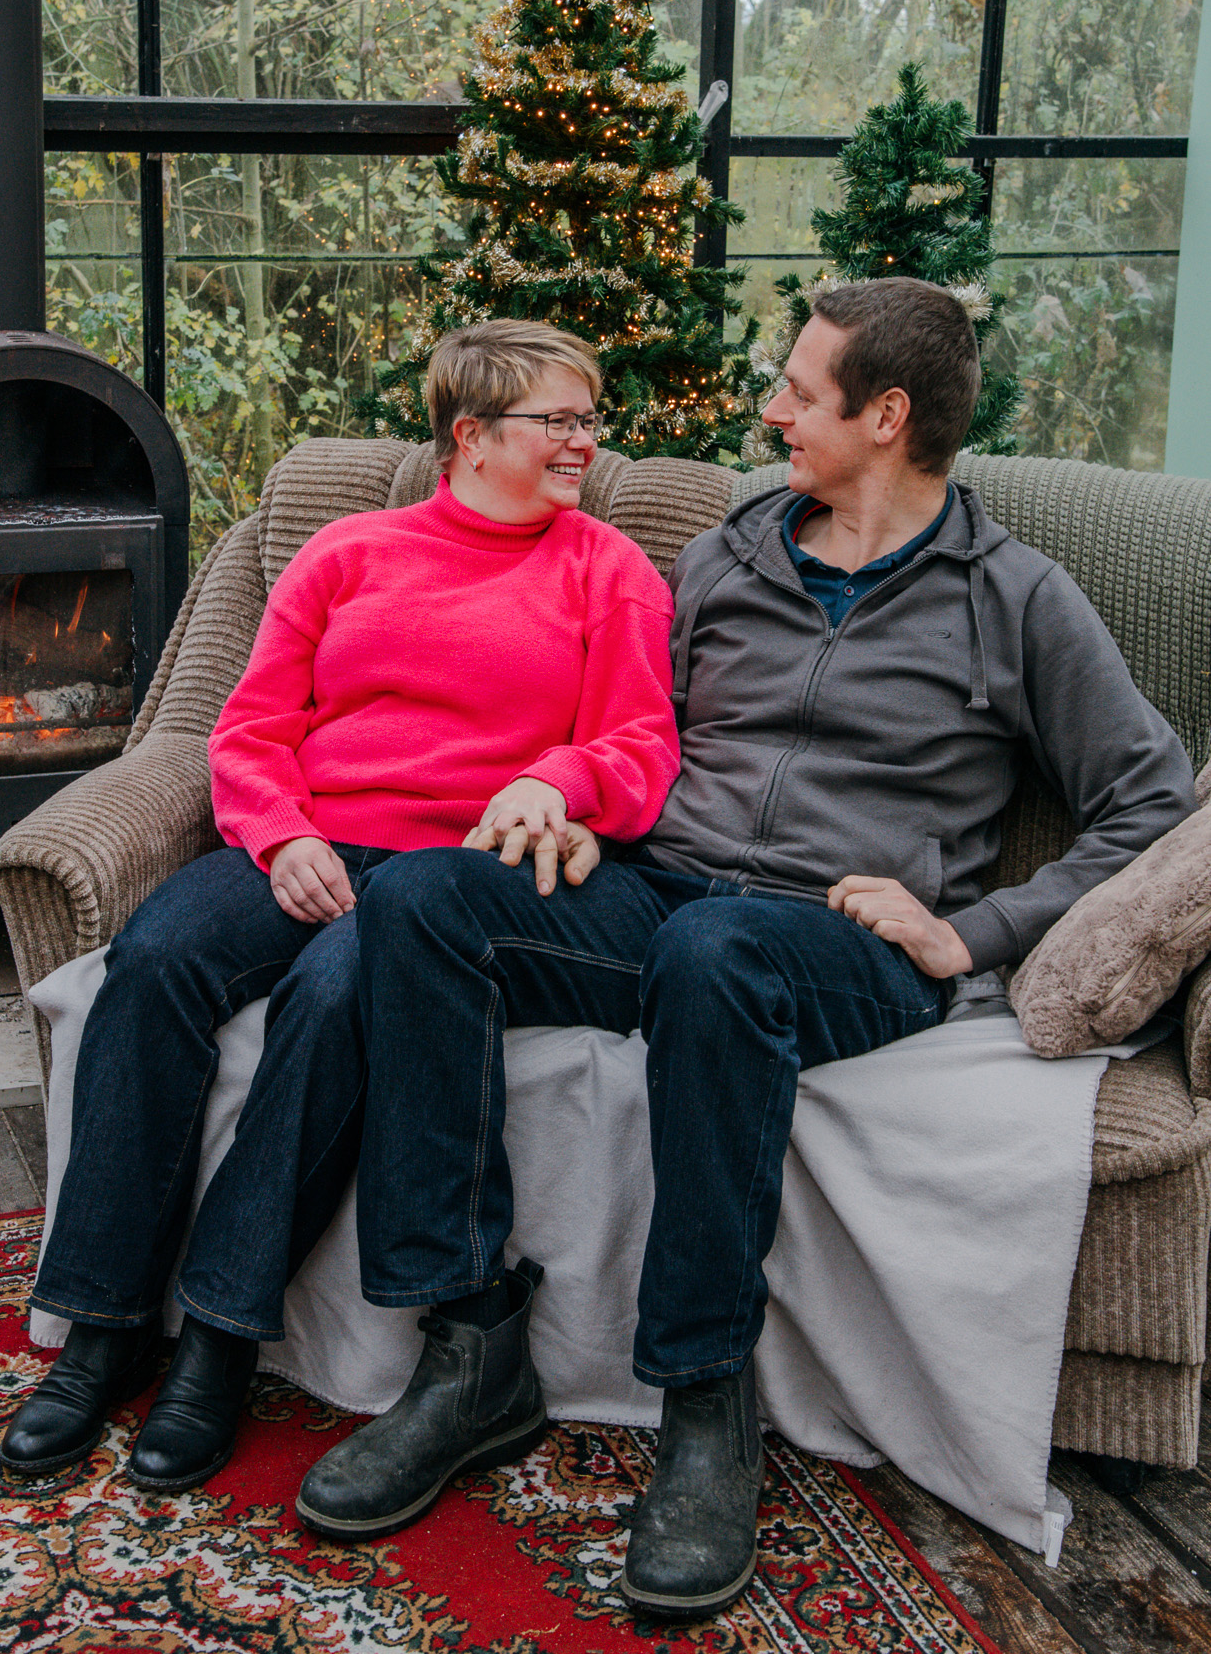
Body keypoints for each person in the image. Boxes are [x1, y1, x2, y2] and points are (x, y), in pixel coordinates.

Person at [296, 277, 1196, 1622]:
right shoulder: (732, 552)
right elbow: (633, 731)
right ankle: (471, 1344)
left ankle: (706, 1398)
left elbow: (1150, 798)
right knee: (428, 895)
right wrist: (574, 801)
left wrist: (971, 930)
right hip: (661, 895)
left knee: (719, 953)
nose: (771, 410)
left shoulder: (1014, 598)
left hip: (840, 939)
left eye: (798, 389)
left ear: (885, 416)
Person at [0, 318, 679, 1493]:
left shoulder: (607, 569)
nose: (586, 441)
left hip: (447, 879)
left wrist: (559, 778)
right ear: (471, 434)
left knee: (329, 1001)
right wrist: (284, 833)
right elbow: (249, 729)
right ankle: (103, 1325)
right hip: (308, 840)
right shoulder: (347, 551)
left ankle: (218, 1334)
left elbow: (640, 744)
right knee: (153, 957)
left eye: (590, 418)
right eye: (558, 420)